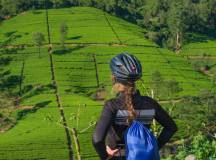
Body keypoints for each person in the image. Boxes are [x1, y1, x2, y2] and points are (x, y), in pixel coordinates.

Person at [92, 53, 177, 160]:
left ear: (114, 78)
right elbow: (171, 127)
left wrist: (105, 157)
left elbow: (97, 139)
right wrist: (154, 147)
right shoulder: (150, 103)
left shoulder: (112, 106)